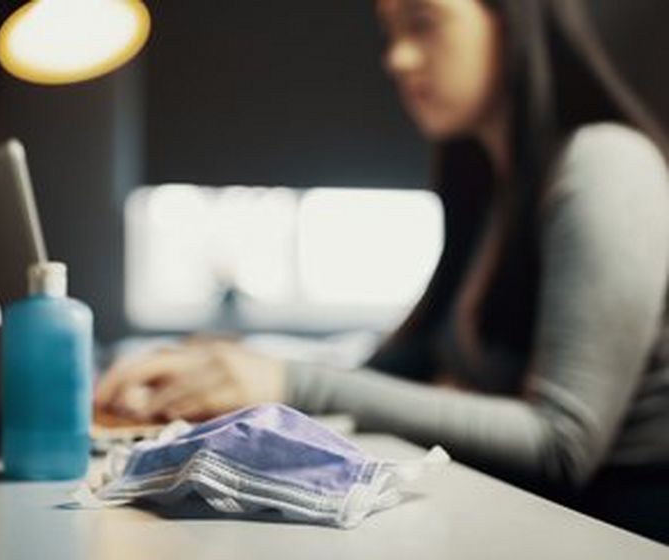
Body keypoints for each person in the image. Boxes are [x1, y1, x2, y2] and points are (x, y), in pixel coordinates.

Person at [95, 0, 669, 541]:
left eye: (422, 23)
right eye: (389, 33)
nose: (397, 58)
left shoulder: (607, 164)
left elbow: (562, 444)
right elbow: (400, 370)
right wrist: (234, 374)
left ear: (512, 17)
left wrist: (285, 381)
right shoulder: (491, 190)